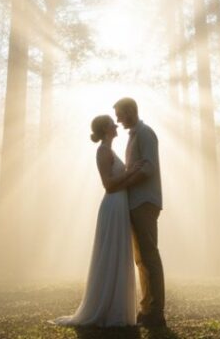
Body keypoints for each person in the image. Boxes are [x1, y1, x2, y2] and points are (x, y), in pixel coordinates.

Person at [54, 115, 144, 327]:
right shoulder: (103, 150)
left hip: (119, 206)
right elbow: (109, 185)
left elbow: (118, 182)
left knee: (118, 254)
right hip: (112, 206)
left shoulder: (110, 150)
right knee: (110, 253)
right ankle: (104, 308)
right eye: (113, 123)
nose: (116, 125)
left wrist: (132, 174)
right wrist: (131, 171)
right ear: (105, 128)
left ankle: (117, 308)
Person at [114, 96, 165, 328]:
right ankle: (146, 309)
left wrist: (125, 182)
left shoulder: (145, 133)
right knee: (141, 258)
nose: (117, 120)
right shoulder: (133, 136)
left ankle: (156, 312)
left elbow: (148, 167)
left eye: (120, 114)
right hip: (135, 203)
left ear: (131, 111)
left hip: (145, 201)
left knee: (149, 255)